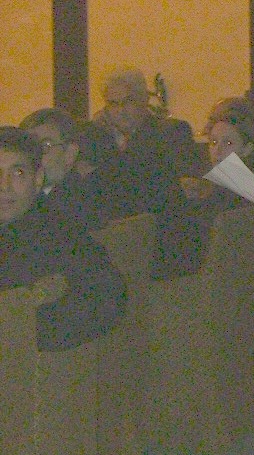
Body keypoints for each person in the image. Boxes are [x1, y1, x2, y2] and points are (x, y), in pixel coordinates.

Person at [0, 127, 126, 351]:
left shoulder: (58, 233)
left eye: (18, 173)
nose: (4, 186)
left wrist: (25, 330)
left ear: (37, 178)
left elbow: (107, 296)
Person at [85, 69, 204, 276]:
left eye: (127, 102)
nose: (120, 111)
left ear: (144, 101)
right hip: (111, 234)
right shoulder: (97, 138)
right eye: (113, 104)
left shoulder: (170, 132)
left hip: (160, 238)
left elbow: (181, 186)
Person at [19, 107, 111, 231]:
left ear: (70, 153)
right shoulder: (20, 199)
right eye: (28, 147)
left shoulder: (82, 205)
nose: (34, 155)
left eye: (45, 145)